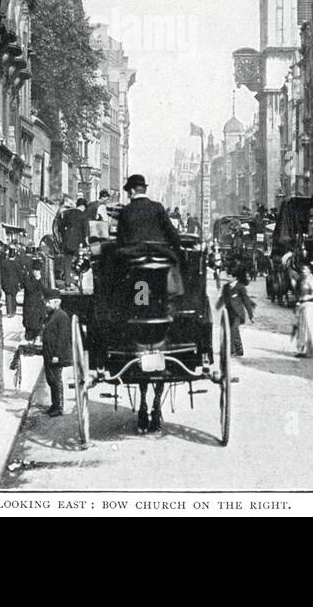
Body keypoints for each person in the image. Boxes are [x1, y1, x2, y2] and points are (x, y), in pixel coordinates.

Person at [115, 174, 185, 432]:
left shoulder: (125, 212)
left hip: (135, 271)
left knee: (124, 273)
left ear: (131, 191)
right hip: (159, 267)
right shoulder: (157, 208)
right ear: (144, 188)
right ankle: (170, 302)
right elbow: (173, 235)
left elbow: (121, 242)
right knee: (170, 269)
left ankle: (131, 307)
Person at [40, 290, 74, 417]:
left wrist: (56, 355)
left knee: (56, 380)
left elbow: (62, 338)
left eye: (49, 302)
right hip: (49, 352)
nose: (46, 304)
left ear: (57, 302)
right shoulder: (53, 314)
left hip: (55, 354)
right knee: (51, 380)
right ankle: (54, 405)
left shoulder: (62, 316)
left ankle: (58, 407)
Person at [216, 270, 256, 357]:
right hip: (229, 314)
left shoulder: (240, 287)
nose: (227, 278)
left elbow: (246, 302)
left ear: (235, 278)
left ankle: (231, 350)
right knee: (233, 331)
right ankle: (239, 349)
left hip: (238, 314)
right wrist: (217, 307)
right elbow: (222, 298)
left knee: (233, 330)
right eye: (227, 276)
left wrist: (251, 316)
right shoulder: (226, 287)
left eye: (229, 276)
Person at [0, 248, 22, 317]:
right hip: (15, 283)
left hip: (7, 282)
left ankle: (9, 312)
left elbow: (2, 273)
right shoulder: (17, 263)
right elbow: (20, 274)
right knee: (13, 297)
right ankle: (14, 311)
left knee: (8, 297)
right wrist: (20, 282)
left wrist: (2, 282)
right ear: (14, 256)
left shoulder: (4, 263)